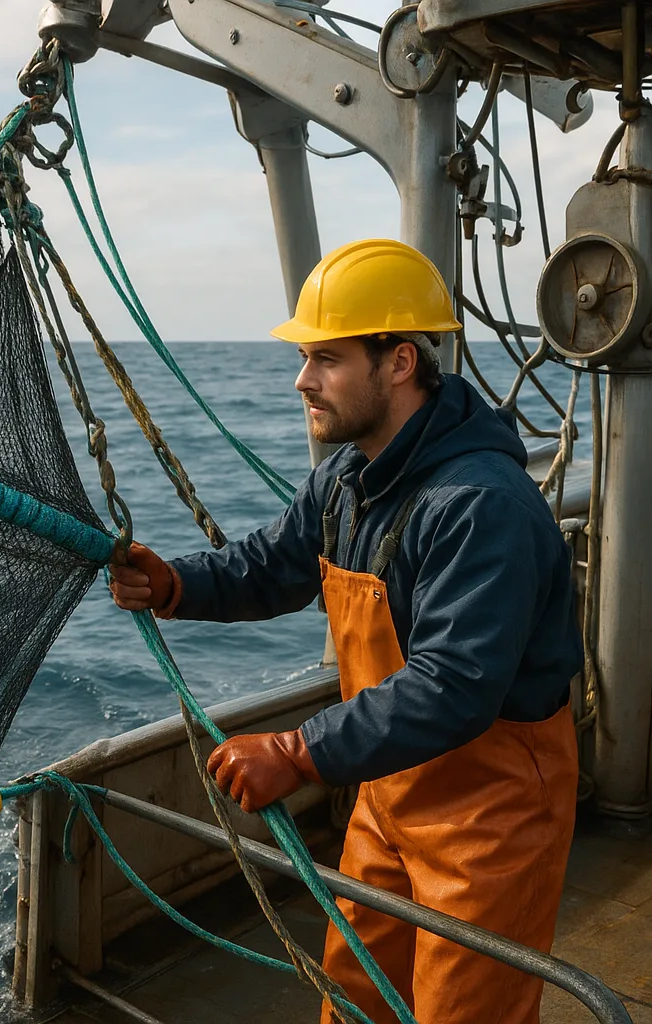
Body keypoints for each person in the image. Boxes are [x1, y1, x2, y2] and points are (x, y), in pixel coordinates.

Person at [108, 238, 581, 1024]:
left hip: (489, 816)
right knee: (355, 997)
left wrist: (297, 752)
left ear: (398, 362)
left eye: (325, 358)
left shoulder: (480, 504)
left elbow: (455, 685)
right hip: (387, 796)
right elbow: (274, 564)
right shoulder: (349, 477)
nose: (301, 381)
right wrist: (177, 584)